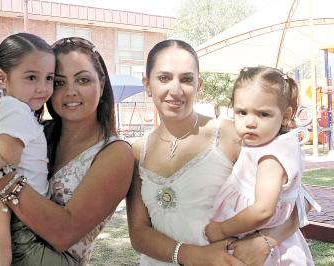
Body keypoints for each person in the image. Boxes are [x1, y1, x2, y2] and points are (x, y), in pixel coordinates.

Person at [0, 36, 134, 265]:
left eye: (83, 80)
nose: (71, 91)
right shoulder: (36, 131)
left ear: (101, 83)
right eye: (58, 82)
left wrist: (0, 176)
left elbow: (63, 233)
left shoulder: (114, 153)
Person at [126, 40, 305, 266]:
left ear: (199, 85)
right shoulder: (137, 151)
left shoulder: (232, 134)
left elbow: (299, 202)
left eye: (186, 79)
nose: (176, 89)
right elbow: (139, 234)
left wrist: (265, 241)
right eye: (164, 78)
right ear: (147, 84)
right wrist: (192, 255)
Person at [204, 66, 320, 265]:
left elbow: (263, 210)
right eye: (242, 112)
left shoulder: (271, 158)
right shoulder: (272, 144)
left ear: (285, 115)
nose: (250, 122)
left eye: (263, 114)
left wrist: (222, 229)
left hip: (263, 250)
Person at [0, 32, 57, 266]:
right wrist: (1, 249)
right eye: (31, 78)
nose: (42, 88)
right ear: (2, 78)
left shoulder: (8, 111)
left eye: (49, 78)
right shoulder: (17, 113)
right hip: (13, 223)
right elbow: (3, 183)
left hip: (3, 218)